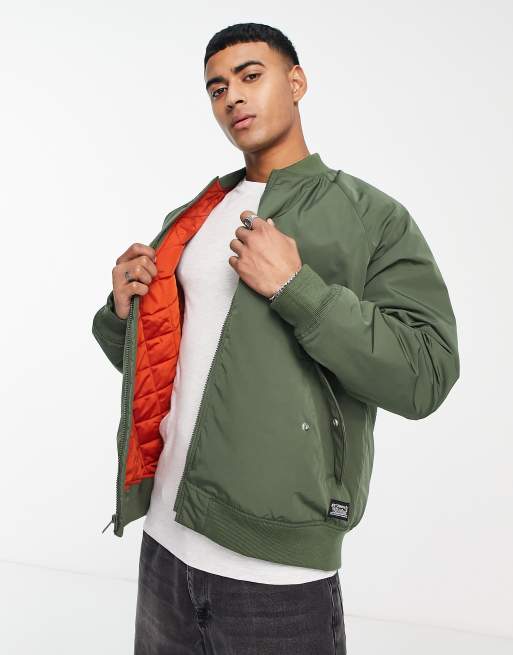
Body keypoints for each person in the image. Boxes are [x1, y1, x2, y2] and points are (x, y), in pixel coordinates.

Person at [92, 22, 460, 655]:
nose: (232, 96)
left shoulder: (371, 217)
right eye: (217, 88)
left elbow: (425, 374)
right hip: (165, 543)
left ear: (297, 82)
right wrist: (123, 312)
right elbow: (162, 364)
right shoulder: (197, 214)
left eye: (250, 76)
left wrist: (298, 288)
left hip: (276, 574)